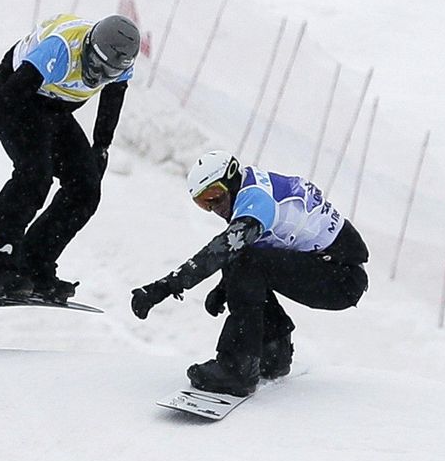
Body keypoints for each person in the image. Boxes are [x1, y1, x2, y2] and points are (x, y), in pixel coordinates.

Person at [0, 14, 141, 303]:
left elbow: (111, 103)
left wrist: (101, 149)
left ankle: (34, 265)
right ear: (88, 46)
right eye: (95, 65)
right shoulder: (60, 51)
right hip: (15, 92)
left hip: (55, 106)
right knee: (34, 174)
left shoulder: (120, 64)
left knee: (86, 188)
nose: (97, 77)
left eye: (108, 74)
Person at [129, 151, 369, 397]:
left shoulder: (257, 201)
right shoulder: (248, 188)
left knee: (246, 261)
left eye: (214, 195)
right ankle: (273, 352)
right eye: (203, 202)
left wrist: (163, 287)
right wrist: (224, 287)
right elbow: (240, 247)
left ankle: (237, 369)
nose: (213, 207)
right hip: (334, 268)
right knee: (245, 258)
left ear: (231, 178)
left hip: (342, 278)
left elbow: (221, 250)